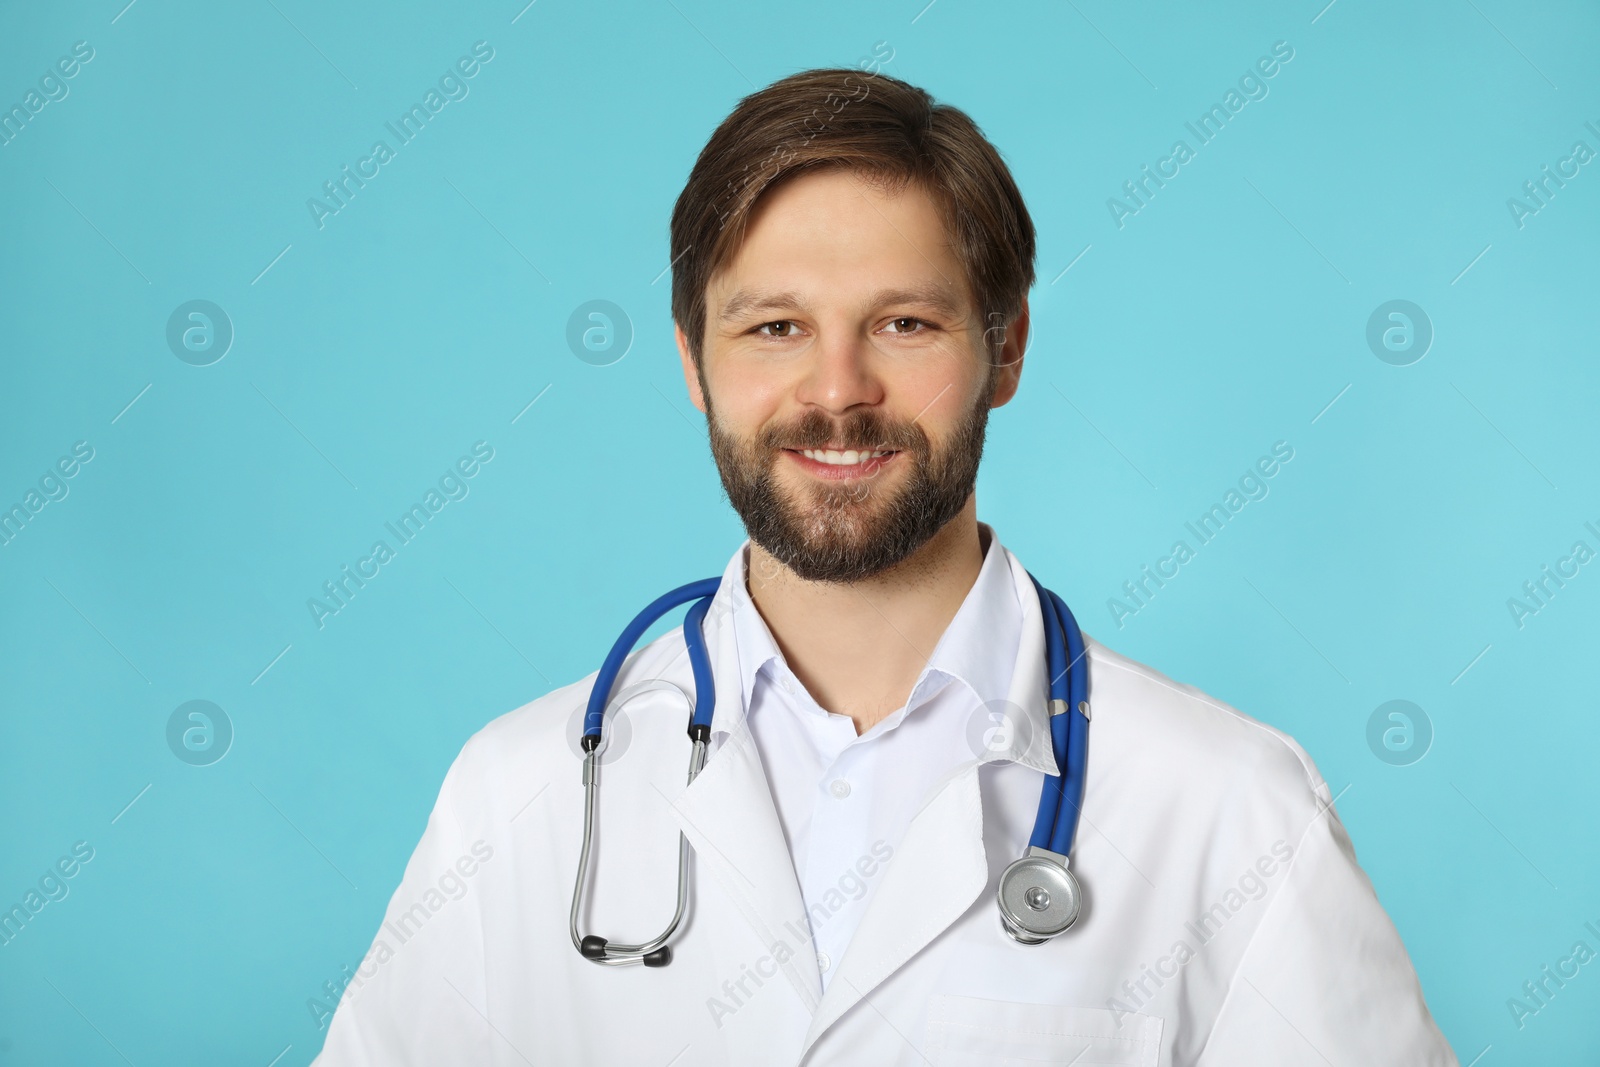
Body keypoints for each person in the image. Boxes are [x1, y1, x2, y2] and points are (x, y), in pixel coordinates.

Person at [313, 67, 1457, 1066]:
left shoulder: (1227, 808)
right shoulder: (517, 797)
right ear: (692, 365)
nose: (836, 389)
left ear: (1005, 348)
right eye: (774, 328)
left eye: (904, 323)